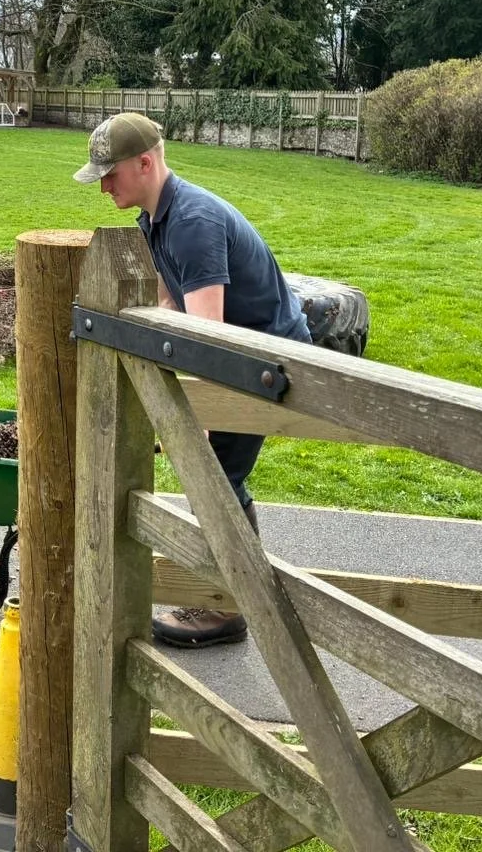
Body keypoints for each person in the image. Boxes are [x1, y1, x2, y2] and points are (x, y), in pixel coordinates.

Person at [73, 112, 312, 647]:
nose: (105, 184)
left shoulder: (192, 222)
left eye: (111, 173)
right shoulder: (156, 217)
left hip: (269, 366)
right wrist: (167, 396)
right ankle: (235, 598)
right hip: (242, 358)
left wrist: (198, 412)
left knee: (214, 478)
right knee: (219, 478)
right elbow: (168, 304)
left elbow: (209, 334)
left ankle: (225, 608)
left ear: (145, 162)